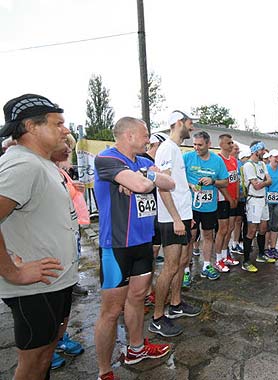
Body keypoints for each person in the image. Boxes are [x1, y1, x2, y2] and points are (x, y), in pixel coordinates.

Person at [0, 94, 76, 380]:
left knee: (45, 357)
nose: (65, 130)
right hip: (34, 289)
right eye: (58, 124)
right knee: (33, 365)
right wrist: (12, 272)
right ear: (31, 126)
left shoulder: (39, 162)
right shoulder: (23, 165)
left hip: (54, 283)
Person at [94, 117, 175, 380]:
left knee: (138, 298)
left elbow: (170, 183)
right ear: (128, 135)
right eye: (145, 135)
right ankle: (104, 371)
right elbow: (145, 185)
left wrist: (143, 176)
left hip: (142, 243)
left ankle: (136, 349)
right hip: (116, 246)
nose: (149, 140)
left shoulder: (141, 162)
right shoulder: (107, 159)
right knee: (111, 310)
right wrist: (147, 178)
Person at [150, 111, 202, 339]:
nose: (192, 127)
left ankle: (176, 303)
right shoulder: (166, 148)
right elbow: (162, 185)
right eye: (190, 123)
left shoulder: (175, 149)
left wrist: (188, 188)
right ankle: (157, 318)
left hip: (182, 215)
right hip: (172, 219)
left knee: (182, 262)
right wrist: (176, 219)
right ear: (179, 123)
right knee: (170, 266)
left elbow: (174, 183)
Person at [49, 134, 88, 369]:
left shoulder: (59, 172)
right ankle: (46, 345)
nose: (69, 153)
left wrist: (75, 187)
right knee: (52, 298)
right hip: (50, 245)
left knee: (64, 298)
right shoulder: (33, 170)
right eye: (66, 148)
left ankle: (59, 338)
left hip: (69, 237)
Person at [183, 131, 229, 280]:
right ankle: (185, 270)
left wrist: (213, 181)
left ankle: (207, 265)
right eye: (194, 144)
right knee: (191, 237)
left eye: (200, 145)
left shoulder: (217, 161)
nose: (196, 147)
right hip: (191, 206)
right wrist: (190, 184)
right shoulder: (187, 158)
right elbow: (177, 177)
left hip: (209, 207)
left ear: (209, 144)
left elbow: (225, 182)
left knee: (208, 235)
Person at [241, 141, 275, 272]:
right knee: (251, 230)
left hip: (263, 199)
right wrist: (265, 182)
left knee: (263, 227)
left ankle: (261, 254)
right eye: (262, 150)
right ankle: (246, 261)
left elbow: (267, 181)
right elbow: (256, 185)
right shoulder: (248, 165)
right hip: (253, 200)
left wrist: (263, 182)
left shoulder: (262, 164)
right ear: (255, 151)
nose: (264, 153)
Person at [139, 132, 169, 265]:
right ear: (157, 144)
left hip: (157, 208)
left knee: (157, 242)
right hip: (143, 211)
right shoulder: (141, 159)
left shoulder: (160, 162)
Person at [213, 134, 240, 271]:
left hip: (233, 199)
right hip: (222, 199)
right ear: (221, 144)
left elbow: (235, 180)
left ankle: (225, 255)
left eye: (232, 142)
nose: (231, 145)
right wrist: (229, 198)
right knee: (222, 230)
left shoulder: (234, 160)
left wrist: (236, 197)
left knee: (230, 228)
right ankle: (218, 259)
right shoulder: (218, 159)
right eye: (229, 143)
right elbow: (219, 183)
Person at [265, 149, 278, 258]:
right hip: (267, 201)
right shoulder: (265, 169)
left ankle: (273, 247)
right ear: (270, 158)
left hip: (277, 200)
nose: (277, 159)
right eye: (275, 157)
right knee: (267, 225)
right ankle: (266, 248)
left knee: (276, 225)